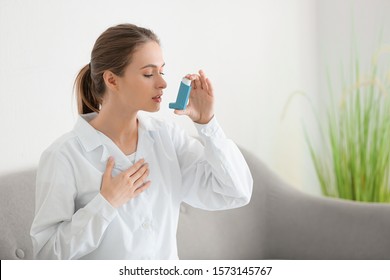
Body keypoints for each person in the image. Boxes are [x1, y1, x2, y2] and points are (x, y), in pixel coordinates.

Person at [30, 23, 253, 260]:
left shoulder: (168, 138)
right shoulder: (64, 156)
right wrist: (106, 203)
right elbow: (45, 258)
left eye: (162, 71)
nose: (163, 83)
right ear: (112, 80)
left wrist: (207, 124)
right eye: (149, 74)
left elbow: (235, 192)